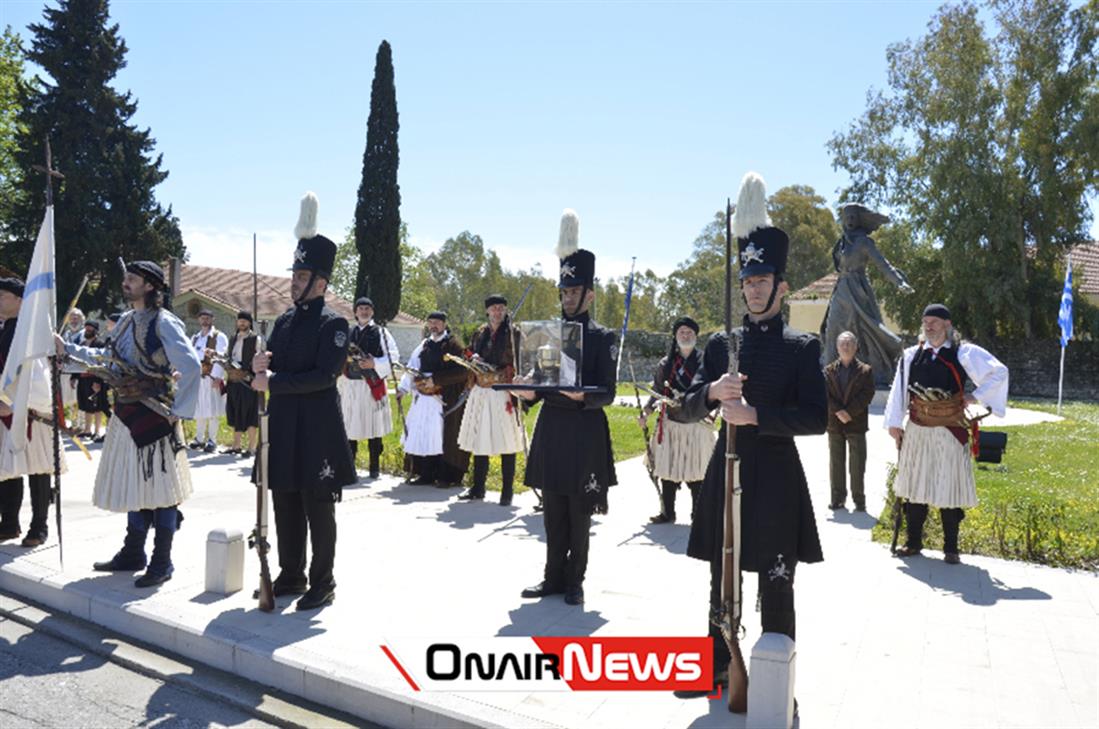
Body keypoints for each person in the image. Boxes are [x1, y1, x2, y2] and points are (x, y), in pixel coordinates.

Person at [678, 173, 826, 699]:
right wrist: (713, 392)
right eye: (747, 281)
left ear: (781, 286)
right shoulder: (720, 345)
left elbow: (816, 417)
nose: (754, 288)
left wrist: (756, 415)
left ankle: (772, 678)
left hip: (777, 474)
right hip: (727, 467)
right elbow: (683, 410)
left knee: (777, 581)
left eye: (763, 281)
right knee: (722, 575)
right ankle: (714, 668)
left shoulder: (803, 346)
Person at [59, 261, 201, 587]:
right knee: (137, 486)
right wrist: (66, 348)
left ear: (150, 286)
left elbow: (190, 366)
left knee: (162, 491)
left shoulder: (164, 323)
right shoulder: (124, 322)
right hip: (125, 413)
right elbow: (104, 359)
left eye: (132, 279)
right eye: (126, 278)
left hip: (155, 415)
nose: (126, 283)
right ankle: (133, 552)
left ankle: (162, 561)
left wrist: (178, 409)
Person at [250, 192, 356, 611]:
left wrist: (272, 380)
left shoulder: (335, 323)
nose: (293, 282)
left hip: (317, 429)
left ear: (321, 282)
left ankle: (322, 580)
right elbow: (269, 363)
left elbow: (323, 376)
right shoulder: (284, 320)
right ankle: (291, 572)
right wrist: (257, 362)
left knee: (318, 507)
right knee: (284, 501)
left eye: (301, 276)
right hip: (283, 426)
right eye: (293, 274)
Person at [516, 209, 617, 607]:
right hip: (553, 430)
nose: (568, 298)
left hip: (585, 430)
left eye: (575, 292)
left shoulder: (603, 336)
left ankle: (576, 581)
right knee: (552, 511)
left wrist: (584, 398)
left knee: (579, 514)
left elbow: (608, 392)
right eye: (564, 291)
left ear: (590, 294)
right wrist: (527, 395)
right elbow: (539, 386)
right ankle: (552, 577)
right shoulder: (545, 335)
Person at [884, 304, 1008, 564]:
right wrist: (895, 423)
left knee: (949, 488)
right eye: (925, 322)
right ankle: (913, 542)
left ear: (947, 325)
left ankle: (951, 548)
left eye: (935, 322)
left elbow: (999, 372)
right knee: (915, 487)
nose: (929, 326)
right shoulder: (911, 356)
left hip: (950, 431)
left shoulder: (963, 353)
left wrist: (976, 396)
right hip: (918, 430)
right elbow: (899, 390)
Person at [0, 276, 68, 547]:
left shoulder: (33, 331)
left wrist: (19, 406)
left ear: (19, 300)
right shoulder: (5, 329)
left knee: (39, 470)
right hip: (5, 409)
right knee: (8, 469)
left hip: (32, 411)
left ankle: (39, 527)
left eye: (2, 295)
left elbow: (39, 375)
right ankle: (9, 523)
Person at [821, 203, 914, 384]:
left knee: (864, 330)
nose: (849, 220)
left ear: (860, 219)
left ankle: (875, 372)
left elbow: (883, 264)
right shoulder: (840, 242)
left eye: (853, 217)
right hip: (841, 289)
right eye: (846, 217)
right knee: (832, 328)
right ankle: (829, 374)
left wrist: (899, 282)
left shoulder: (864, 242)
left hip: (858, 290)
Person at [638, 316, 715, 524]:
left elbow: (711, 389)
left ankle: (697, 514)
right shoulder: (667, 363)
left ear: (696, 336)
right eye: (682, 332)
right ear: (675, 336)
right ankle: (667, 512)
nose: (685, 335)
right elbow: (657, 390)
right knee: (667, 470)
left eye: (689, 332)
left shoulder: (705, 362)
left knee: (696, 472)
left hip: (696, 423)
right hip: (671, 424)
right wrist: (646, 412)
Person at [457, 294, 523, 505]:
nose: (497, 312)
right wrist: (473, 359)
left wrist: (508, 374)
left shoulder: (514, 333)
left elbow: (522, 360)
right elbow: (470, 354)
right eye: (494, 308)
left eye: (501, 308)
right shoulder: (479, 333)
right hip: (481, 389)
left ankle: (507, 491)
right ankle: (478, 488)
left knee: (507, 441)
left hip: (502, 390)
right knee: (479, 438)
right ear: (487, 311)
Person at [397, 312, 469, 487]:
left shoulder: (454, 345)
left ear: (444, 324)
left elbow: (463, 371)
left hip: (445, 399)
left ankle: (447, 477)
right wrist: (403, 388)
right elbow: (412, 367)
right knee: (426, 434)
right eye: (430, 322)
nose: (433, 325)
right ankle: (425, 474)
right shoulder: (424, 345)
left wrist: (436, 380)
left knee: (444, 438)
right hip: (424, 398)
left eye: (437, 322)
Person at [338, 297, 399, 479]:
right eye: (361, 308)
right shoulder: (348, 332)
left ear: (372, 312)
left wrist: (375, 363)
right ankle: (350, 468)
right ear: (355, 312)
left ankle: (374, 468)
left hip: (370, 385)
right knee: (350, 426)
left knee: (374, 427)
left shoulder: (381, 332)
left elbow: (393, 356)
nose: (364, 312)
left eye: (367, 309)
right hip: (350, 385)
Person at [824, 331, 875, 511]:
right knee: (836, 463)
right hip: (835, 423)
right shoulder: (829, 371)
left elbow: (867, 394)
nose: (846, 347)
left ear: (855, 347)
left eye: (849, 343)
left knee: (857, 464)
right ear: (837, 347)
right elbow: (825, 395)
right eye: (842, 344)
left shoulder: (865, 371)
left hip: (857, 422)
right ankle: (837, 499)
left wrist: (849, 412)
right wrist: (839, 411)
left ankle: (859, 500)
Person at [222, 311, 262, 458]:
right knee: (235, 411)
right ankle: (236, 446)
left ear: (250, 323)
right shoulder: (233, 338)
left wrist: (252, 374)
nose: (242, 323)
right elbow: (228, 356)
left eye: (245, 321)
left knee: (251, 414)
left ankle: (251, 448)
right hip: (233, 380)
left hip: (249, 381)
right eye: (240, 321)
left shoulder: (255, 339)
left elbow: (260, 359)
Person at [189, 309, 227, 453]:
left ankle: (212, 440)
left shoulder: (219, 337)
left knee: (212, 410)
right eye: (202, 318)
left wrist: (217, 376)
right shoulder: (195, 338)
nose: (205, 320)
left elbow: (222, 358)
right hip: (198, 377)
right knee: (199, 410)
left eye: (207, 318)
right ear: (199, 320)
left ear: (212, 319)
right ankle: (199, 439)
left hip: (212, 377)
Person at [72, 320, 110, 441]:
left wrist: (98, 381)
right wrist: (73, 377)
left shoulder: (99, 344)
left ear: (95, 330)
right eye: (86, 328)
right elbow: (77, 361)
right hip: (82, 379)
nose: (87, 330)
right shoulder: (82, 344)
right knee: (85, 404)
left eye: (90, 328)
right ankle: (87, 430)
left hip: (94, 378)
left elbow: (101, 363)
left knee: (97, 406)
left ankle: (97, 431)